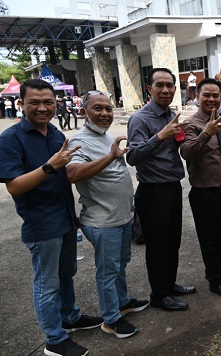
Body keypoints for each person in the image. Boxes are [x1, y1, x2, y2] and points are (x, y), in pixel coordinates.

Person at [0, 79, 102, 356]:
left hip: (67, 219)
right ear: (21, 104)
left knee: (66, 275)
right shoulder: (10, 139)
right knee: (47, 283)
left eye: (48, 102)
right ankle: (54, 340)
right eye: (35, 102)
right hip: (42, 224)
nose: (43, 108)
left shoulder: (56, 135)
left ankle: (71, 317)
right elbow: (14, 186)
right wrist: (49, 167)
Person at [66, 91, 148, 338]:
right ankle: (111, 319)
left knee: (120, 265)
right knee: (108, 271)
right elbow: (72, 173)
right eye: (98, 109)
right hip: (103, 222)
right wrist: (110, 156)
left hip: (121, 217)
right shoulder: (79, 141)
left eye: (108, 109)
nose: (105, 114)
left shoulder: (105, 136)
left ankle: (122, 302)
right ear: (83, 113)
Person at [126, 67, 195, 311]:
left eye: (170, 85)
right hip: (153, 191)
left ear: (175, 89)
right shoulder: (140, 119)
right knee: (157, 246)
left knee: (172, 241)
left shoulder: (171, 115)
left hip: (173, 188)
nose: (165, 90)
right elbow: (132, 156)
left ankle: (170, 284)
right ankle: (159, 295)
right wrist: (159, 137)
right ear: (149, 88)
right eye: (160, 85)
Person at [180, 78, 221, 299]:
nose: (211, 99)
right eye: (206, 95)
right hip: (204, 192)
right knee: (209, 239)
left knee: (218, 237)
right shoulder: (191, 124)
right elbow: (186, 152)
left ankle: (217, 269)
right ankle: (216, 281)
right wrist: (206, 132)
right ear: (197, 97)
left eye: (216, 95)